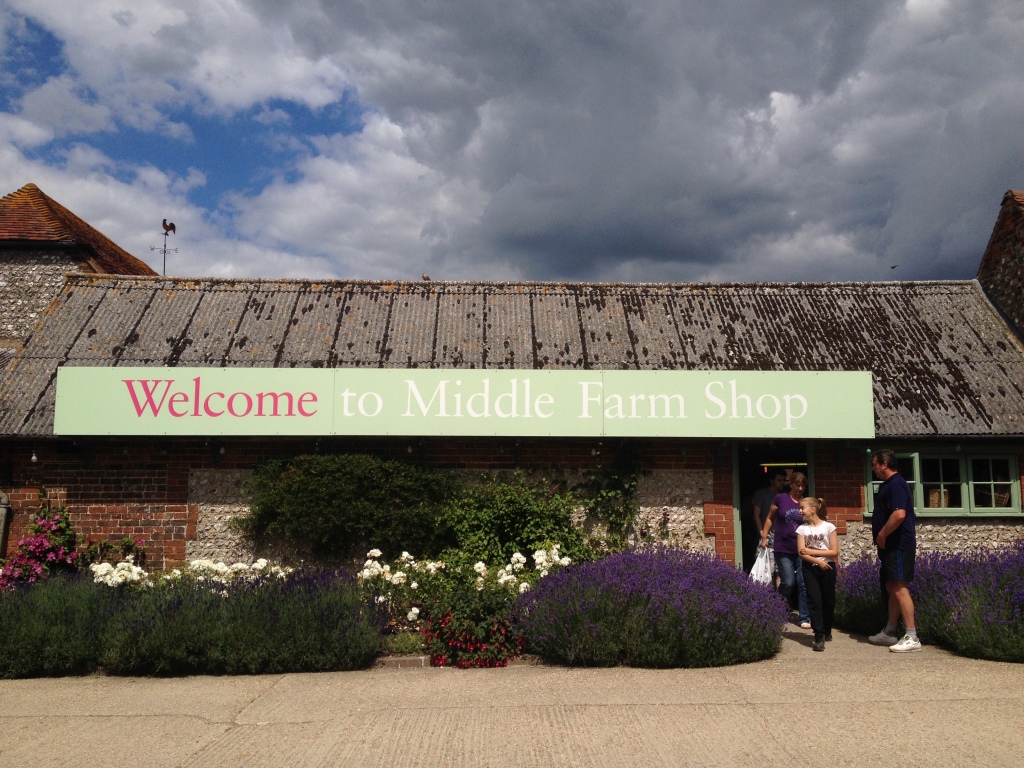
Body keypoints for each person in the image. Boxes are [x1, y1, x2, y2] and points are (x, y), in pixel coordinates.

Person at [867, 449, 921, 652]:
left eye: (875, 464)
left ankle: (912, 636)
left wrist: (882, 534)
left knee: (899, 587)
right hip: (890, 547)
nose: (873, 469)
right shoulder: (888, 485)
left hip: (899, 545)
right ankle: (890, 632)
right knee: (892, 587)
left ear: (884, 464)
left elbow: (899, 514)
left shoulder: (897, 484)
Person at [761, 471, 812, 629]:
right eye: (797, 485)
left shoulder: (806, 502)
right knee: (788, 582)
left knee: (803, 583)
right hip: (783, 547)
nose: (800, 488)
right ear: (791, 484)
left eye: (803, 485)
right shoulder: (780, 498)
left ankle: (804, 617)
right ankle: (780, 610)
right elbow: (770, 517)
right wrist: (764, 536)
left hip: (802, 548)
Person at [797, 497, 838, 652]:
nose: (800, 511)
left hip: (828, 567)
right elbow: (801, 552)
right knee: (814, 600)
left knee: (828, 601)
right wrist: (817, 560)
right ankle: (818, 635)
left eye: (803, 508)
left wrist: (812, 552)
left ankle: (827, 629)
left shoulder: (829, 527)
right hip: (810, 567)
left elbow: (834, 551)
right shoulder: (802, 529)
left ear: (813, 509)